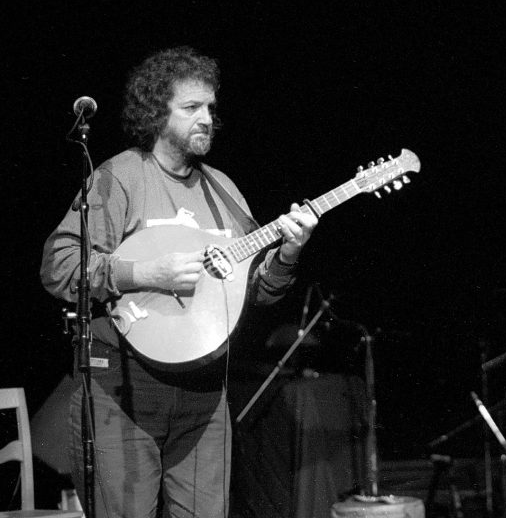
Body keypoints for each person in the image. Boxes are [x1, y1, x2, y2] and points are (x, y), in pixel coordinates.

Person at [40, 46, 319, 517]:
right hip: (123, 391)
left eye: (210, 107)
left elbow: (256, 293)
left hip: (205, 395)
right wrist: (144, 272)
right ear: (156, 113)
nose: (206, 118)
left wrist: (288, 253)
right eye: (191, 108)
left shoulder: (225, 192)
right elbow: (60, 265)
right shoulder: (121, 176)